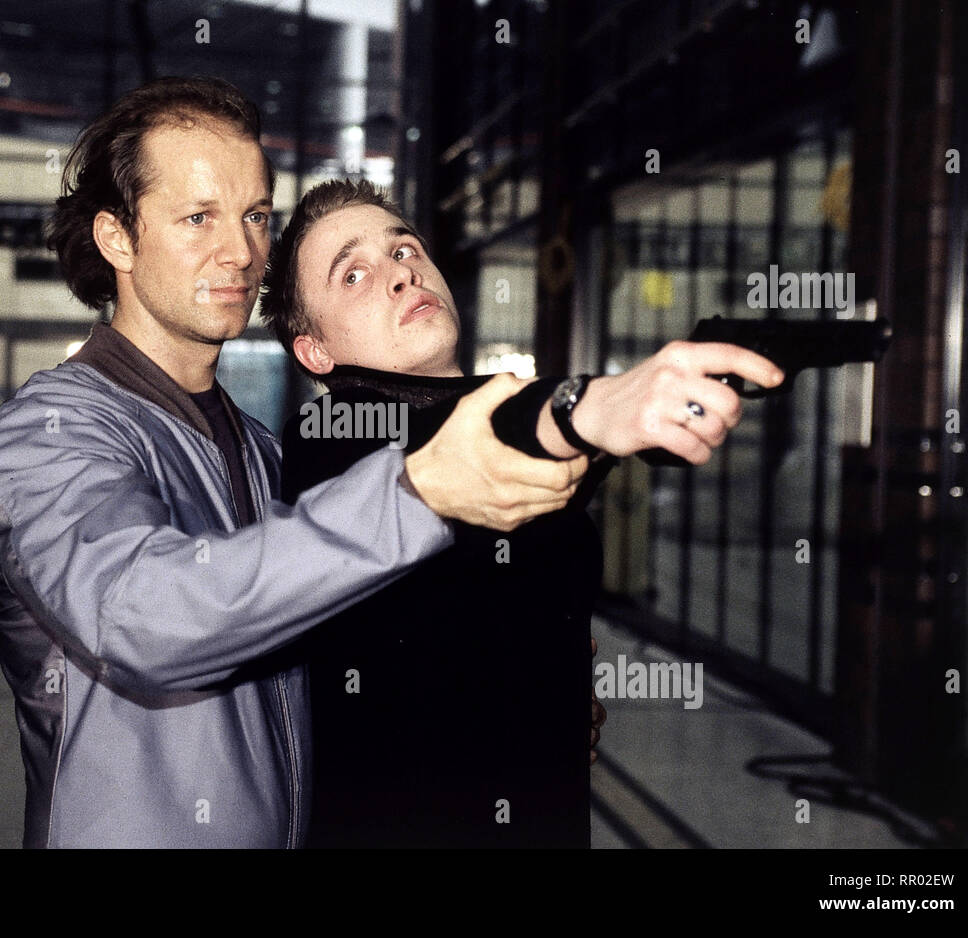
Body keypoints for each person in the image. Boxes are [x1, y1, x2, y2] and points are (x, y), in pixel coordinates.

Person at [0, 77, 587, 848]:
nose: (242, 252)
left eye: (255, 215)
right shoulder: (52, 431)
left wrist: (525, 705)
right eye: (199, 217)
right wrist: (419, 491)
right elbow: (143, 617)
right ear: (117, 238)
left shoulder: (264, 456)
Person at [258, 179, 783, 846]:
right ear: (316, 352)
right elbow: (467, 447)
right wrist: (584, 411)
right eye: (353, 275)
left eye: (405, 249)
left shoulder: (495, 411)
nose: (398, 274)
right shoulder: (329, 438)